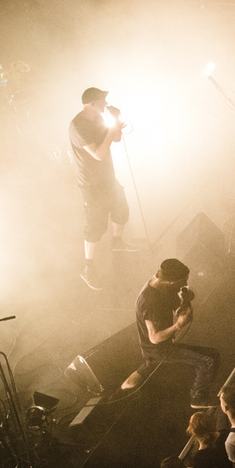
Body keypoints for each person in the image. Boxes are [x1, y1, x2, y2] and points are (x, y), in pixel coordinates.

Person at [121, 258, 220, 407]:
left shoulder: (163, 286)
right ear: (171, 281)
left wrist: (185, 302)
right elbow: (154, 338)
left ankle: (126, 386)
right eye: (183, 281)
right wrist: (178, 325)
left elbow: (177, 310)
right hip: (158, 349)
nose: (185, 284)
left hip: (163, 346)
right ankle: (198, 398)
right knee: (207, 361)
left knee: (212, 355)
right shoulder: (150, 300)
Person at [69, 86, 135, 289]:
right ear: (91, 103)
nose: (106, 104)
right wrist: (112, 128)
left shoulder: (99, 118)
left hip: (107, 177)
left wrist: (116, 122)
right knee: (95, 226)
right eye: (102, 101)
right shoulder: (77, 126)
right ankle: (88, 268)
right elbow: (98, 153)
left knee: (121, 210)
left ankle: (117, 242)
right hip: (91, 183)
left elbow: (115, 139)